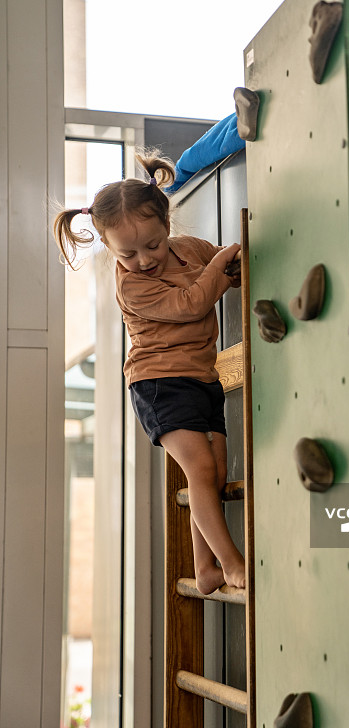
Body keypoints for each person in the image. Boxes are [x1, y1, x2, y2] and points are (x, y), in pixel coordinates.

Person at [54, 150, 245, 594]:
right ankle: (231, 561)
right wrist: (219, 269)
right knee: (199, 469)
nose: (143, 259)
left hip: (201, 377)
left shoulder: (190, 250)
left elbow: (221, 266)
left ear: (167, 226)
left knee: (215, 471)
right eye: (128, 253)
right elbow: (193, 302)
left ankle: (207, 568)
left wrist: (231, 265)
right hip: (158, 383)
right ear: (109, 248)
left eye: (153, 245)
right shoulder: (132, 285)